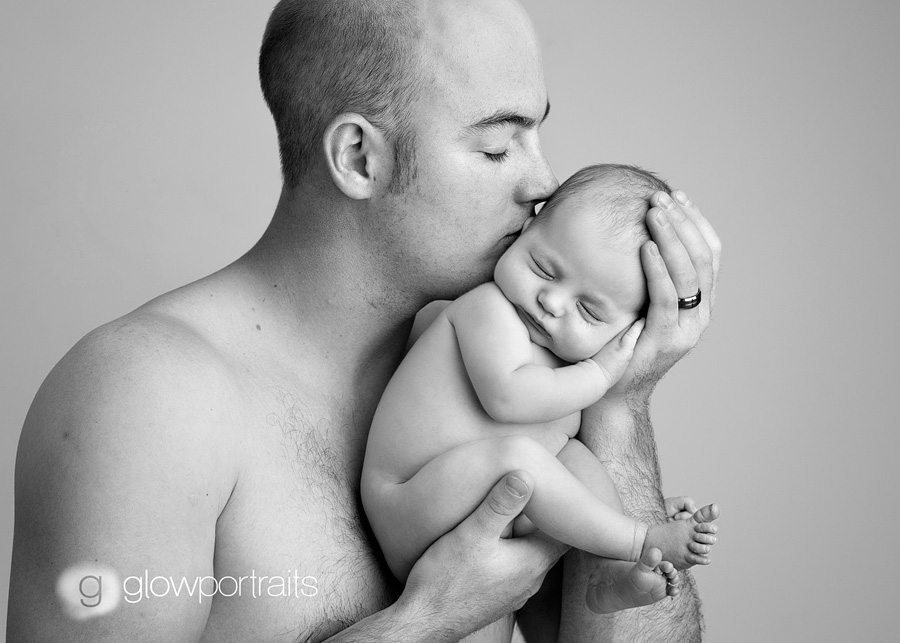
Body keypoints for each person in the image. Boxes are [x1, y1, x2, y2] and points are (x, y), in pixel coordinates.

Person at [7, 1, 722, 642]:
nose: (543, 183)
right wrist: (426, 619)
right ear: (359, 157)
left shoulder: (501, 365)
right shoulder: (146, 398)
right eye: (498, 146)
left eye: (538, 136)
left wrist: (622, 403)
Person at [362, 164, 720, 596]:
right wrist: (599, 373)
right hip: (408, 506)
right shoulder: (487, 308)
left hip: (482, 515)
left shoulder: (563, 364)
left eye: (589, 311)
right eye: (543, 269)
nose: (550, 301)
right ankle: (636, 540)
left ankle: (609, 566)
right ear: (526, 230)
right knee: (521, 457)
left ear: (629, 333)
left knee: (574, 459)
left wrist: (608, 510)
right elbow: (508, 397)